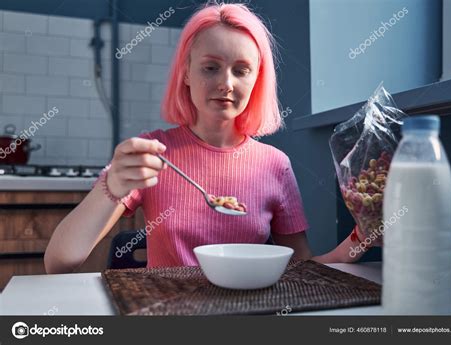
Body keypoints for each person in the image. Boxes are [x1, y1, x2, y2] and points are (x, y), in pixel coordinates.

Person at [44, 3, 370, 274]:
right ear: (186, 73)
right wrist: (113, 184)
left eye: (241, 70)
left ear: (257, 80)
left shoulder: (276, 165)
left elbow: (301, 270)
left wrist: (360, 239)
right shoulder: (154, 154)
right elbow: (58, 262)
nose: (226, 83)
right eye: (210, 68)